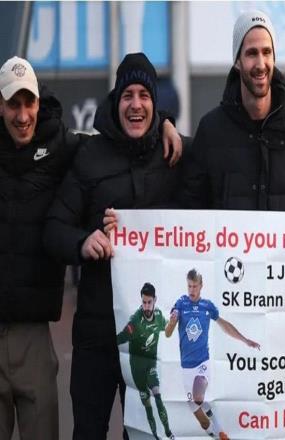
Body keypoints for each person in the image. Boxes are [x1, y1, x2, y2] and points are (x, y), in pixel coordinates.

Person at [43, 52, 186, 439]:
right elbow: (54, 228)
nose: (136, 104)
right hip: (96, 332)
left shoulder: (175, 155)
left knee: (144, 434)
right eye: (127, 95)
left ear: (155, 104)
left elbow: (224, 150)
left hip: (150, 340)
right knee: (88, 430)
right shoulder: (89, 156)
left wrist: (169, 125)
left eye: (144, 95)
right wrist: (83, 241)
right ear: (115, 100)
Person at [0, 56, 80, 440]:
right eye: (12, 104)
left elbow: (116, 148)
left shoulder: (61, 145)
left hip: (34, 337)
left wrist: (165, 124)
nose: (22, 116)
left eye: (28, 103)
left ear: (38, 101)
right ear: (0, 105)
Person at [183, 9, 285, 212]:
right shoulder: (211, 130)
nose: (261, 64)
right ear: (237, 62)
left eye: (266, 52)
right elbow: (190, 213)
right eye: (252, 53)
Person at [166, 269, 260, 439]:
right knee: (200, 416)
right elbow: (167, 333)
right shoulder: (181, 303)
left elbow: (225, 326)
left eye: (195, 286)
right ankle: (218, 433)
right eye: (189, 286)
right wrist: (172, 322)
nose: (191, 290)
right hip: (186, 367)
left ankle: (216, 429)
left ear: (201, 286)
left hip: (202, 363)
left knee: (197, 396)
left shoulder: (207, 306)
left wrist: (245, 340)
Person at [117, 282, 174, 440]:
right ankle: (154, 433)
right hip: (137, 369)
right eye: (144, 302)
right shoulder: (136, 320)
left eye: (149, 302)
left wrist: (174, 322)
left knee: (157, 394)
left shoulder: (159, 316)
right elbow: (122, 337)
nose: (147, 306)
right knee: (147, 405)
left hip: (151, 365)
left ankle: (168, 432)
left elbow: (167, 331)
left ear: (155, 300)